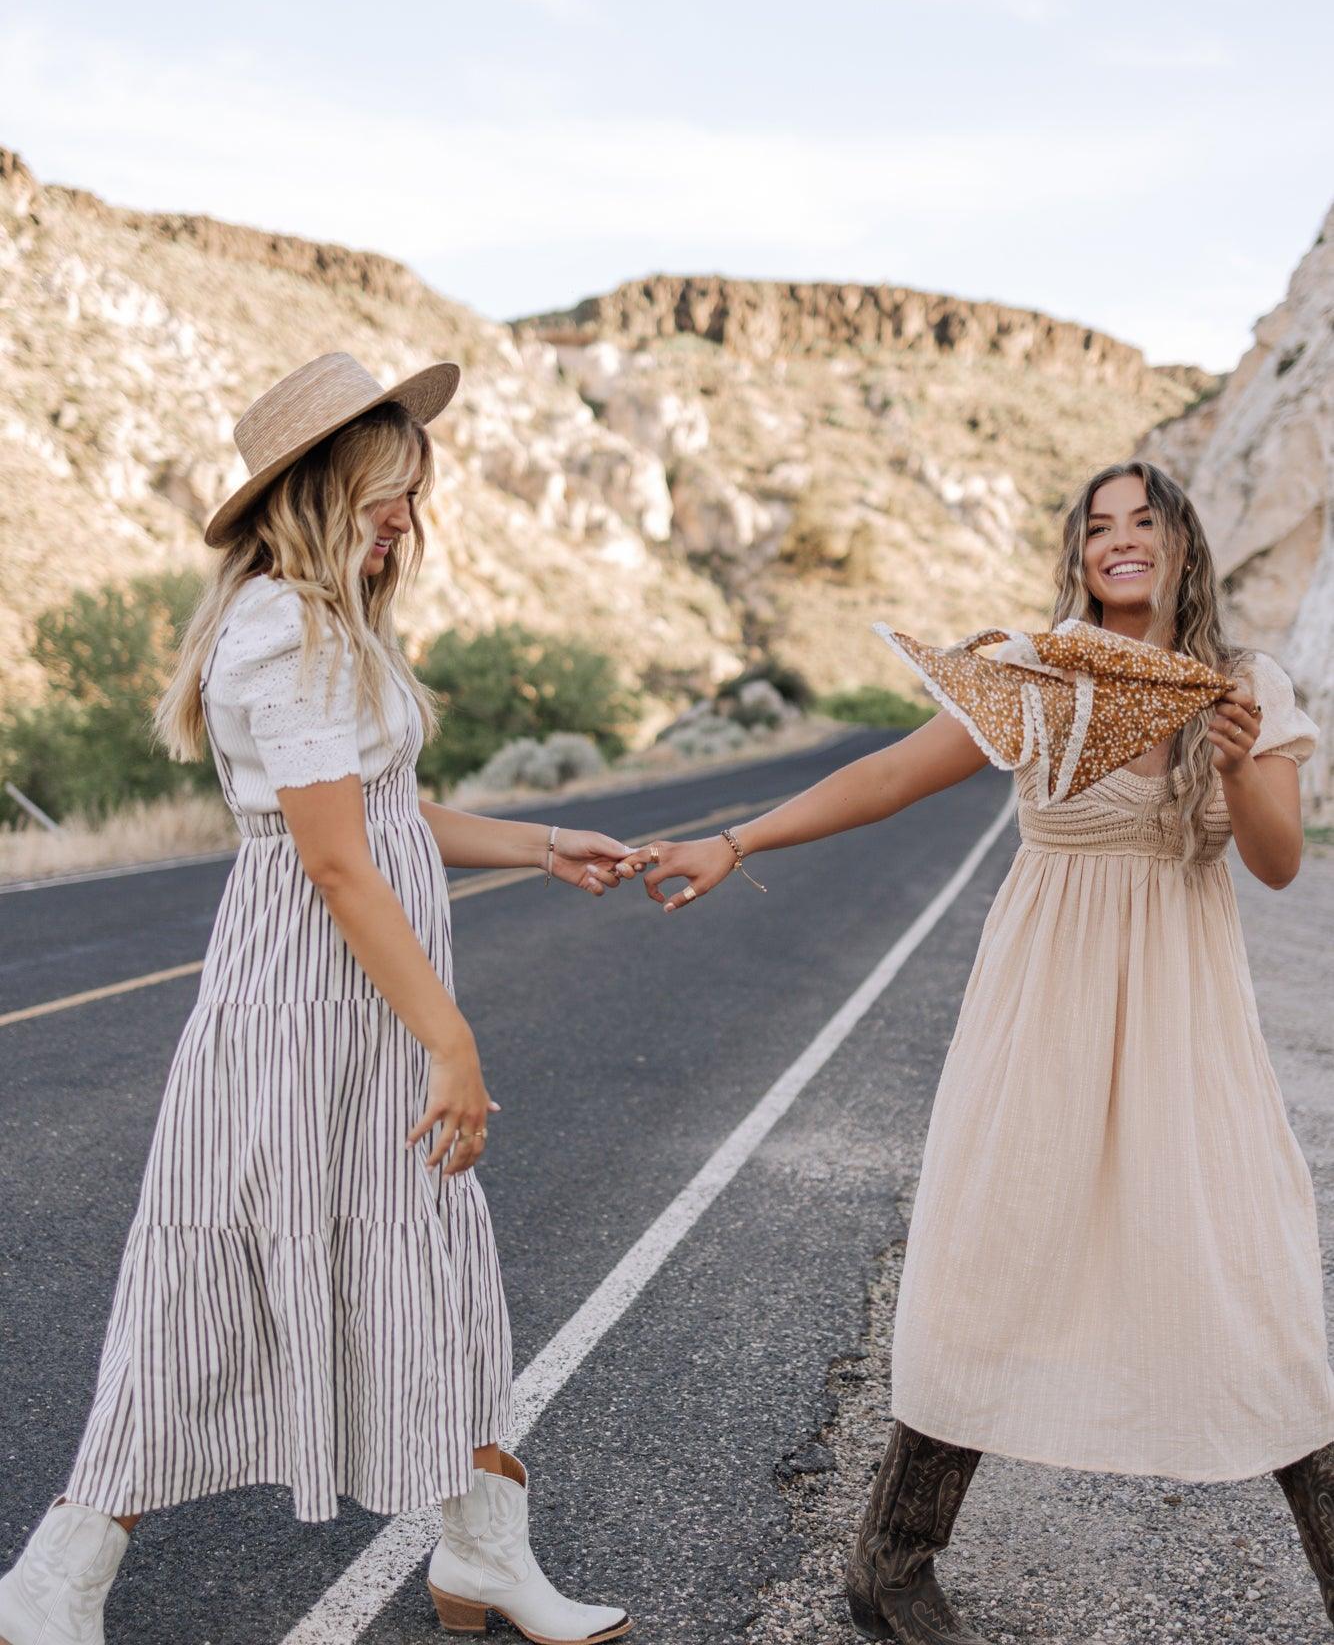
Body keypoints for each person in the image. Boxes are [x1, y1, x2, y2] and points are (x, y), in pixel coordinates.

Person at [622, 458, 1334, 1642]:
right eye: (1097, 525)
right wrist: (734, 839)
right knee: (994, 1249)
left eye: (1143, 521)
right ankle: (889, 1560)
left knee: (1246, 1259)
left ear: (1181, 543)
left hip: (1185, 1008)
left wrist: (1228, 756)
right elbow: (887, 776)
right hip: (1043, 997)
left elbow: (1275, 860)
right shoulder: (1033, 670)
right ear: (1076, 551)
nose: (1119, 540)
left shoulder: (1243, 681)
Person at [0, 352, 635, 1645]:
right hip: (301, 1011)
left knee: (433, 1261)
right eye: (386, 488)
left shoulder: (330, 626)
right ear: (316, 490)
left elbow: (387, 813)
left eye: (413, 489)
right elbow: (337, 864)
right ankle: (55, 1579)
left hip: (356, 1010)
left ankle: (481, 1550)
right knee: (213, 1278)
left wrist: (537, 842)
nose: (407, 514)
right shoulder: (283, 632)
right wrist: (450, 1038)